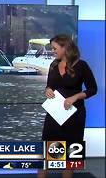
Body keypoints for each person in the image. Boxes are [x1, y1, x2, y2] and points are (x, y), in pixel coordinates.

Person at [39, 34, 97, 178]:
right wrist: (48, 90)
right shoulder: (53, 65)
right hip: (54, 114)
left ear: (65, 48)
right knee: (47, 154)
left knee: (69, 156)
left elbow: (93, 89)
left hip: (74, 115)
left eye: (55, 48)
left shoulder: (81, 65)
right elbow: (49, 85)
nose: (53, 51)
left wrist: (75, 97)